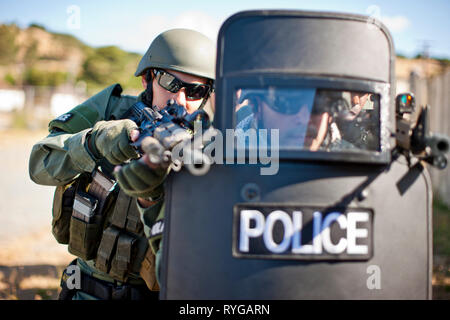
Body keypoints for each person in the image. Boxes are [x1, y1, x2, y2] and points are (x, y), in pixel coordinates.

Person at [28, 28, 215, 300]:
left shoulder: (209, 147)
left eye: (196, 90)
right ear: (146, 78)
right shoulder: (110, 111)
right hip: (84, 288)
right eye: (170, 82)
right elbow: (39, 166)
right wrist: (94, 143)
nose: (180, 100)